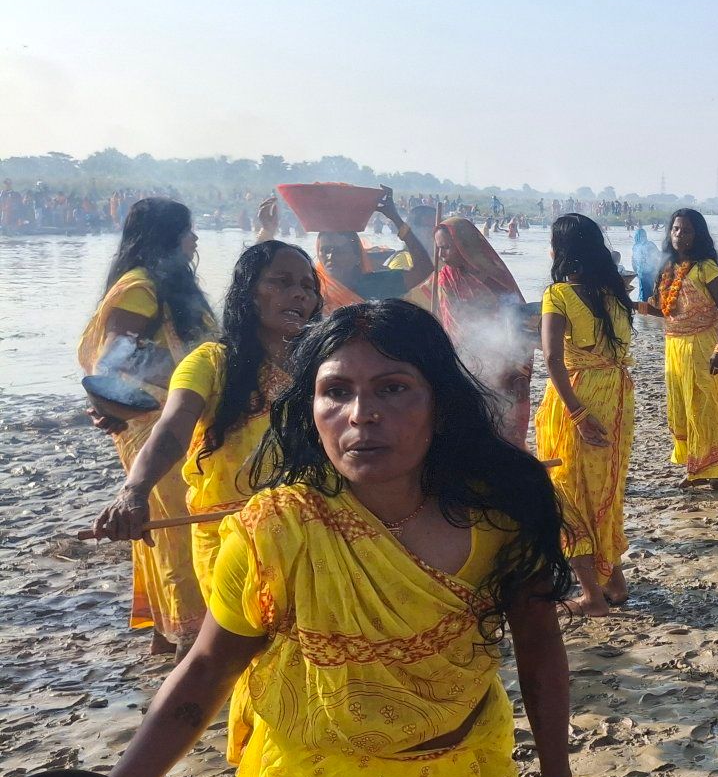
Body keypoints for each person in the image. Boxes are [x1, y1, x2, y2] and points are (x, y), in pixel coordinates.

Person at [109, 300, 576, 777]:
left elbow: (540, 649)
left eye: (393, 388)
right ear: (311, 408)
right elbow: (204, 673)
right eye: (337, 391)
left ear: (439, 402)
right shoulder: (275, 533)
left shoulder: (500, 515)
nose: (363, 415)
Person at [91, 241, 321, 594]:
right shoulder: (210, 362)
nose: (299, 294)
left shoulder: (324, 366)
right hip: (229, 537)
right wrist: (134, 491)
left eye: (308, 286)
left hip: (311, 530)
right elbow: (172, 429)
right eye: (281, 282)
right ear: (250, 293)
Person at [78, 198, 217, 655]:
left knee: (162, 528)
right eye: (187, 231)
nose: (194, 239)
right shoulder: (140, 287)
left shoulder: (169, 286)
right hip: (157, 424)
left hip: (182, 417)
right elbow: (114, 361)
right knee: (177, 534)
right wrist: (188, 377)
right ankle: (191, 646)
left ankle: (167, 640)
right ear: (167, 237)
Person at [537, 213, 638, 616]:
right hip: (616, 397)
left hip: (576, 398)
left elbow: (552, 358)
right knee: (605, 488)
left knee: (567, 493)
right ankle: (615, 582)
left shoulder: (558, 294)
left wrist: (577, 414)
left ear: (561, 250)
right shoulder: (616, 294)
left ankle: (592, 597)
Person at [640, 209, 718, 484]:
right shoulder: (667, 269)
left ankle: (713, 471)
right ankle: (696, 467)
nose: (680, 235)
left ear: (698, 235)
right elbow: (666, 310)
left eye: (687, 230)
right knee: (683, 408)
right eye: (676, 229)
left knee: (706, 408)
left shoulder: (706, 267)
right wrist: (634, 305)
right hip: (675, 346)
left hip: (704, 345)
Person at [428, 216, 533, 446]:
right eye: (438, 248)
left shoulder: (497, 275)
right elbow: (454, 325)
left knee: (510, 438)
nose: (441, 255)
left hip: (509, 364)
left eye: (446, 248)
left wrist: (520, 371)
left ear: (464, 245)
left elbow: (520, 323)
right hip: (470, 365)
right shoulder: (447, 278)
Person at [261, 188, 435, 309]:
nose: (330, 256)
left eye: (339, 251)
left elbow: (424, 269)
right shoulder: (311, 287)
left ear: (357, 256)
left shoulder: (376, 284)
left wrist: (396, 218)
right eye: (325, 250)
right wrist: (267, 231)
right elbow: (261, 279)